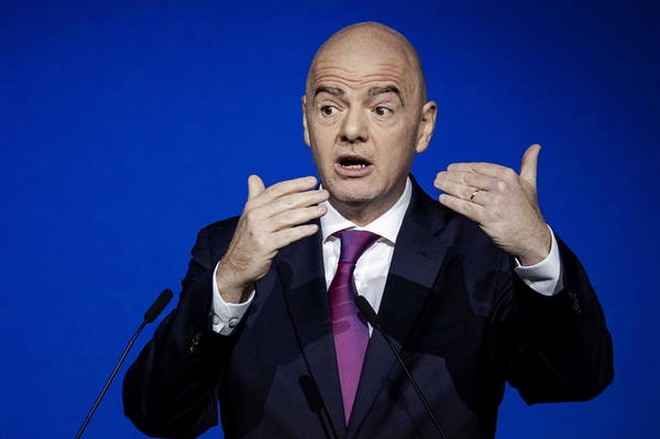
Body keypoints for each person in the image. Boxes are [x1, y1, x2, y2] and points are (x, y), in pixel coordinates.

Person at [123, 22, 613, 438]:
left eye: (381, 109)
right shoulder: (234, 250)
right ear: (305, 122)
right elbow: (158, 414)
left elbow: (575, 380)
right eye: (329, 108)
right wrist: (229, 285)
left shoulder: (481, 253)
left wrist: (536, 249)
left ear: (424, 127)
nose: (352, 130)